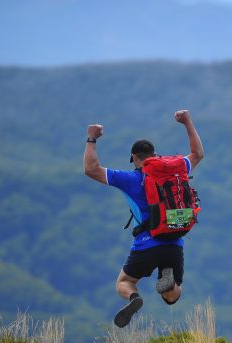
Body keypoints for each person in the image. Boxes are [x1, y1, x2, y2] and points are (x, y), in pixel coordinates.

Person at [83, 110, 204, 327]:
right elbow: (197, 154)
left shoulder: (129, 178)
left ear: (134, 159)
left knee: (125, 281)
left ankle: (134, 298)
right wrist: (187, 122)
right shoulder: (175, 171)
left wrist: (92, 138)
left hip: (147, 244)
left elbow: (91, 169)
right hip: (175, 240)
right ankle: (168, 283)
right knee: (171, 296)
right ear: (155, 155)